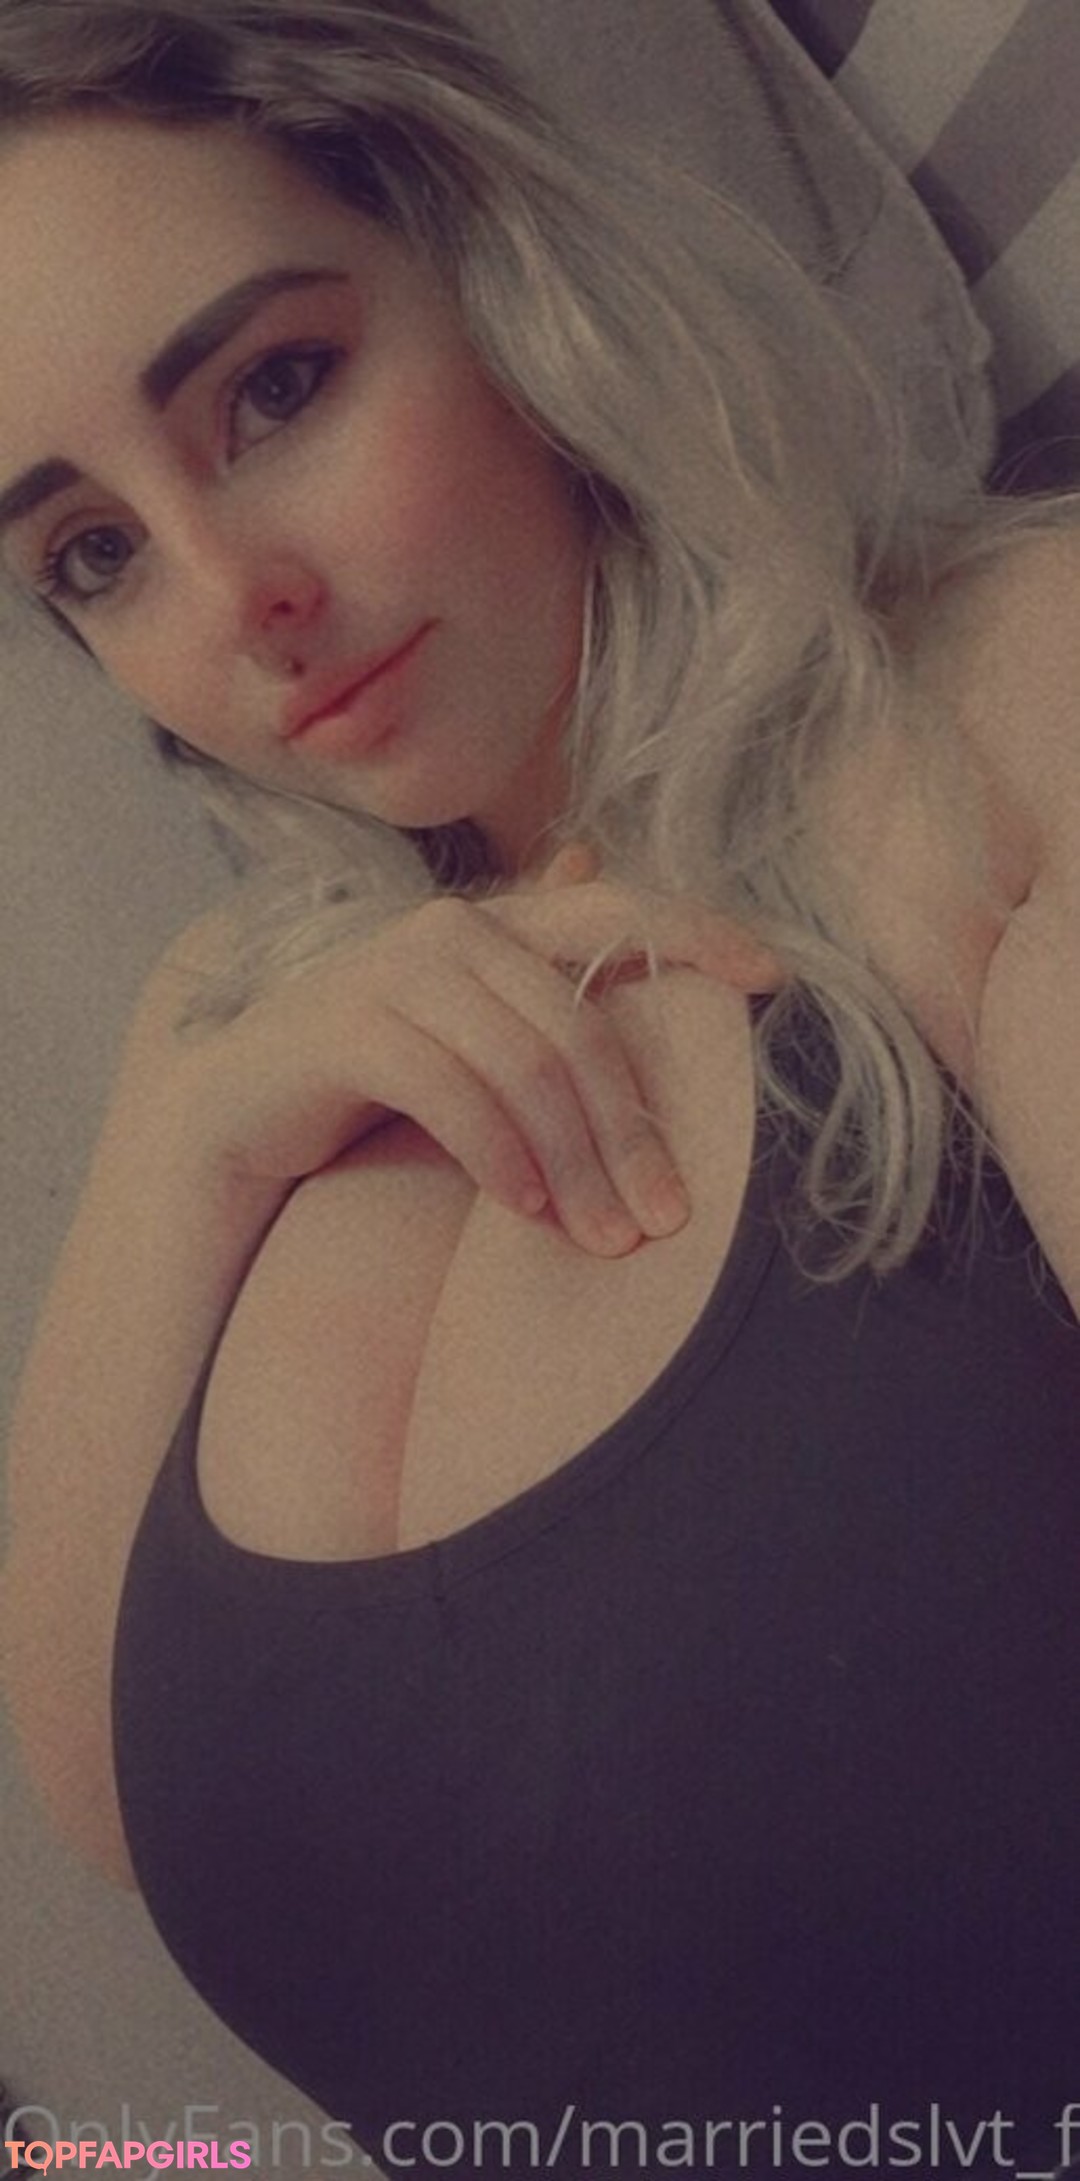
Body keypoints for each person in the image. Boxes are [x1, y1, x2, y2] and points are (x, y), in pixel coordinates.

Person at [1, 2, 1078, 2174]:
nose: (236, 603)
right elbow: (117, 1798)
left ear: (502, 274)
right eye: (89, 552)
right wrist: (199, 1136)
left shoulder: (999, 696)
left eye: (274, 388)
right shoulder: (225, 1023)